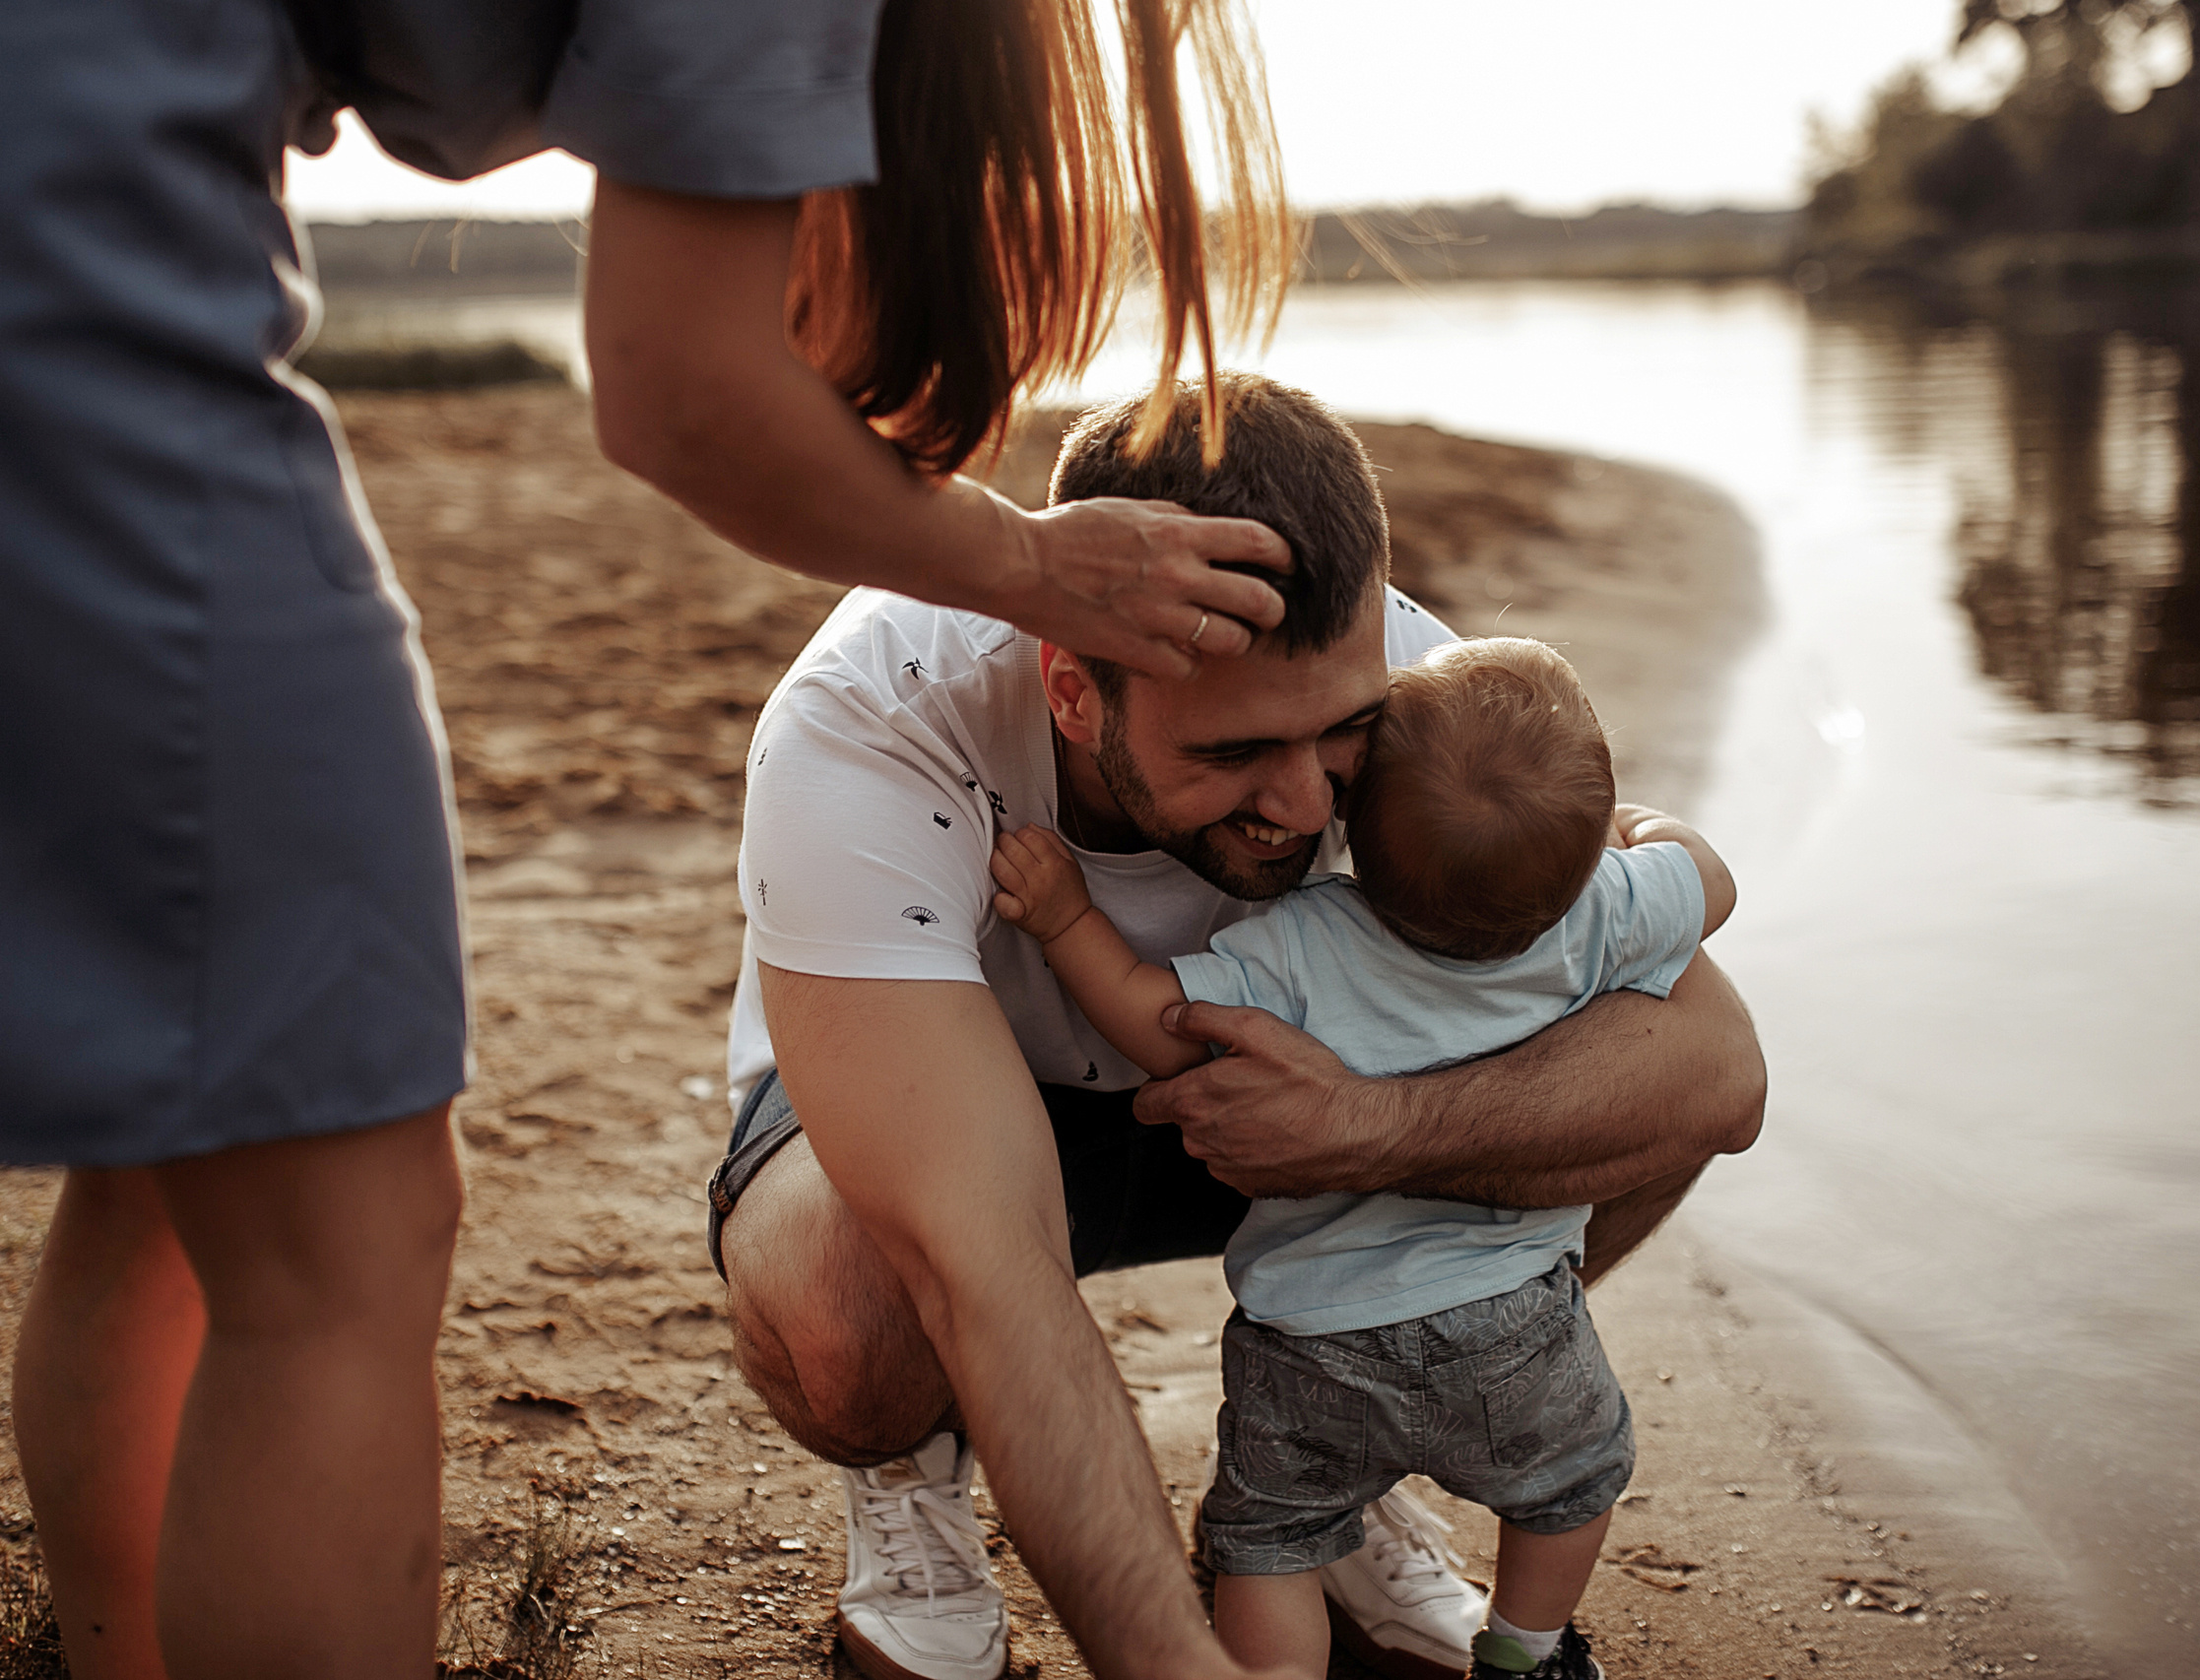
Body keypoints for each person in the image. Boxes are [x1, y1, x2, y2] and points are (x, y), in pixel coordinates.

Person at [3, 2, 1290, 1675]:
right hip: (70, 267)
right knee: (334, 1221)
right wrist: (1039, 566)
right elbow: (684, 389)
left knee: (190, 1154)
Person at [711, 373, 1768, 1680]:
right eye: (1234, 750)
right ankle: (914, 1482)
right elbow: (977, 1252)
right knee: (853, 1332)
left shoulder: (1430, 698)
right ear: (1074, 690)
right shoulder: (875, 720)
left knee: (1621, 1113)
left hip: (1290, 1116)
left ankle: (1342, 1446)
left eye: (1341, 736)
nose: (1297, 801)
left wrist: (1370, 1124)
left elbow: (1713, 1073)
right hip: (952, 1095)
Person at [988, 636, 1737, 1680]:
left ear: (1348, 817)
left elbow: (1162, 1023)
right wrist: (1632, 832)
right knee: (1571, 1482)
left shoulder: (1300, 939)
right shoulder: (1603, 913)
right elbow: (1709, 875)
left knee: (1271, 1540)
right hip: (1514, 1327)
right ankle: (1524, 1651)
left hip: (1310, 1344)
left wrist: (1069, 920)